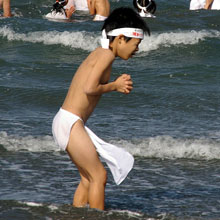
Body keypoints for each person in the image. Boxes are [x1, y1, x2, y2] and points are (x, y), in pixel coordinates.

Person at [52, 7, 150, 210]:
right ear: (121, 39)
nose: (137, 50)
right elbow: (89, 88)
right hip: (70, 122)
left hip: (66, 121)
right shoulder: (105, 55)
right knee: (99, 176)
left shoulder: (100, 53)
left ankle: (77, 213)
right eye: (136, 44)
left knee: (88, 179)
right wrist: (115, 85)